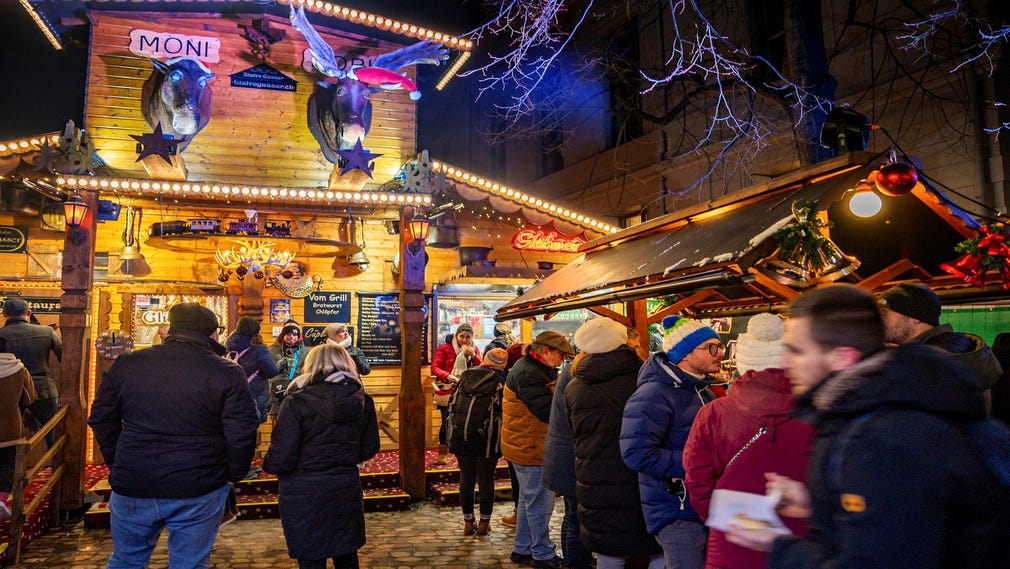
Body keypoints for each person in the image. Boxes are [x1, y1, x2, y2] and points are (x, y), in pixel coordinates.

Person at [725, 284, 1009, 568]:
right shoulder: (876, 404)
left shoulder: (881, 436)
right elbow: (909, 514)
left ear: (841, 358)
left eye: (797, 351)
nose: (786, 362)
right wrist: (818, 501)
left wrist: (777, 544)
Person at [88, 302, 260, 569]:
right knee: (189, 564)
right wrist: (231, 474)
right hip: (198, 483)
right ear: (212, 334)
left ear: (171, 329)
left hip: (135, 480)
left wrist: (119, 461)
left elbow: (101, 419)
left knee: (126, 561)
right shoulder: (225, 371)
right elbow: (242, 430)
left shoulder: (128, 364)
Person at [683, 313, 814, 569]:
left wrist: (723, 520)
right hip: (801, 545)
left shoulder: (714, 413)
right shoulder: (819, 413)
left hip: (733, 540)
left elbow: (697, 480)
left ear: (743, 360)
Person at [263, 344, 380, 569]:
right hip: (344, 484)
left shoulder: (296, 401)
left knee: (310, 556)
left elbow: (282, 456)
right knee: (346, 554)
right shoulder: (362, 400)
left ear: (311, 365)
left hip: (302, 490)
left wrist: (270, 464)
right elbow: (370, 447)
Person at [620, 315, 723, 569]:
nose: (719, 352)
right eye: (711, 347)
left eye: (719, 346)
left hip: (700, 503)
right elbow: (636, 453)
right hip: (675, 507)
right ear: (685, 354)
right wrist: (698, 463)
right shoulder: (654, 393)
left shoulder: (701, 390)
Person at [565, 318, 662, 569]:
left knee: (608, 549)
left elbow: (573, 429)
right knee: (657, 546)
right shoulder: (644, 379)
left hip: (594, 476)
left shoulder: (574, 386)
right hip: (639, 474)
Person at [501, 331, 574, 569]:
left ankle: (522, 549)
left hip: (524, 444)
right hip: (531, 447)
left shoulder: (531, 367)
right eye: (560, 355)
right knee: (540, 503)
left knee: (527, 500)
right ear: (545, 352)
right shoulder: (529, 373)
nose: (562, 360)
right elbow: (546, 412)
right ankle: (542, 553)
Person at [878, 282, 1002, 412]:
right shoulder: (955, 348)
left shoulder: (934, 360)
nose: (878, 320)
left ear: (915, 317)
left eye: (884, 313)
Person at [448, 347, 509, 537]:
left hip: (462, 434)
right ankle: (484, 523)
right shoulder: (501, 383)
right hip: (488, 439)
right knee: (485, 480)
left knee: (466, 478)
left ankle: (468, 522)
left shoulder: (466, 376)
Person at [543, 341, 593, 569]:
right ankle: (575, 564)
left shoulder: (571, 371)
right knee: (575, 519)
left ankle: (571, 563)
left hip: (565, 454)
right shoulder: (577, 374)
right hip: (572, 456)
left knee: (572, 517)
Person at [0, 298, 62, 446]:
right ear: (28, 313)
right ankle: (56, 466)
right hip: (44, 389)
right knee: (51, 432)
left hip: (10, 392)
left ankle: (13, 468)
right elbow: (65, 357)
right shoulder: (47, 331)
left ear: (4, 314)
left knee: (9, 435)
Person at [431, 324, 482, 465]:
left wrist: (473, 355)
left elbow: (481, 366)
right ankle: (443, 452)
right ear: (456, 336)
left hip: (468, 390)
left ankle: (462, 454)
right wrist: (448, 376)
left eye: (468, 337)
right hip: (448, 390)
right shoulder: (445, 348)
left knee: (466, 422)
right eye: (462, 336)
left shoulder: (474, 349)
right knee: (446, 421)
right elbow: (435, 367)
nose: (464, 340)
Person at [0, 339, 35, 520]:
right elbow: (28, 397)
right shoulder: (19, 369)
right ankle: (2, 498)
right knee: (7, 464)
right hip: (10, 427)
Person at [225, 316, 279, 423]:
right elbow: (271, 371)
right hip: (253, 398)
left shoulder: (227, 347)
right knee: (250, 431)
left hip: (230, 398)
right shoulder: (259, 350)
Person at [268, 322, 310, 417]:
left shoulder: (305, 351)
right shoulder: (272, 350)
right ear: (283, 335)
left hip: (297, 391)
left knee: (297, 419)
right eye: (288, 334)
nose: (291, 337)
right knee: (277, 421)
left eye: (294, 334)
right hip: (277, 392)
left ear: (298, 336)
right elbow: (268, 370)